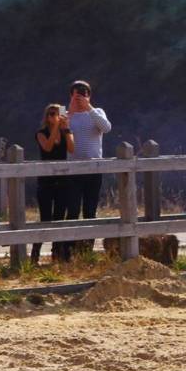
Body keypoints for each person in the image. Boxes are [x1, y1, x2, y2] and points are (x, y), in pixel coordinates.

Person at [65, 80, 112, 250]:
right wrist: (70, 110)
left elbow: (106, 128)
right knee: (72, 210)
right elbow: (58, 133)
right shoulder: (66, 114)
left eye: (83, 94)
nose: (80, 98)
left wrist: (89, 108)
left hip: (94, 169)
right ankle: (68, 249)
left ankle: (86, 249)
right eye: (76, 95)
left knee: (90, 210)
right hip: (73, 170)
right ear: (71, 95)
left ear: (89, 95)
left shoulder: (97, 112)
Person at [31, 103, 75, 265]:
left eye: (56, 114)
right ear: (46, 117)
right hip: (46, 181)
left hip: (62, 179)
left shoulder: (65, 132)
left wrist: (66, 128)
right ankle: (35, 253)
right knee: (45, 218)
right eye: (50, 114)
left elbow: (71, 149)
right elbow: (48, 147)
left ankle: (58, 254)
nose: (53, 117)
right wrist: (55, 127)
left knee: (59, 218)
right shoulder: (41, 133)